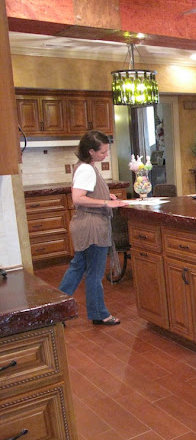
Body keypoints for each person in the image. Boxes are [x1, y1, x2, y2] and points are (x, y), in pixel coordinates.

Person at [58, 131, 128, 326]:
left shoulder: (85, 166)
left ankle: (55, 311)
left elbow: (89, 193)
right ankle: (99, 314)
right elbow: (78, 198)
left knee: (78, 267)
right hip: (92, 227)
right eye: (103, 152)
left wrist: (106, 196)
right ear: (91, 151)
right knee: (94, 273)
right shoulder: (87, 170)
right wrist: (107, 202)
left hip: (85, 224)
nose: (106, 155)